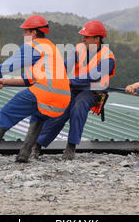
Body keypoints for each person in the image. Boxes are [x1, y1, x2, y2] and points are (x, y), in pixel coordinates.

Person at [0, 15, 71, 165]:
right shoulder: (51, 48)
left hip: (45, 92)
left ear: (33, 32)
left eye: (26, 31)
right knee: (38, 115)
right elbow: (29, 80)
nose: (23, 34)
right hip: (63, 99)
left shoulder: (32, 46)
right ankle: (24, 154)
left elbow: (1, 69)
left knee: (5, 114)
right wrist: (6, 82)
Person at [34, 20, 116, 160]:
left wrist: (71, 81)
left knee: (78, 107)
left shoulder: (108, 57)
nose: (83, 39)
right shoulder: (79, 49)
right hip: (74, 87)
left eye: (86, 36)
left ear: (97, 39)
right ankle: (36, 145)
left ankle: (71, 147)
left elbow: (94, 76)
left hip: (93, 91)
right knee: (59, 110)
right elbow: (65, 66)